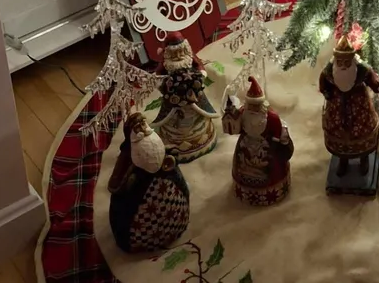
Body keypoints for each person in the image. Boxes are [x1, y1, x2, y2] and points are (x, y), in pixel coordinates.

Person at [107, 111, 189, 253]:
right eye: (137, 127)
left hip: (172, 198)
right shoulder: (129, 154)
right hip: (142, 216)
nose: (142, 129)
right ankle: (139, 242)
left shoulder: (154, 139)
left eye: (143, 124)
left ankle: (178, 223)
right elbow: (117, 183)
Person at [319, 35, 379, 176]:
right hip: (337, 107)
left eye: (347, 61)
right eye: (340, 61)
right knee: (340, 134)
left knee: (362, 132)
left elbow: (374, 83)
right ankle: (343, 160)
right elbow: (323, 82)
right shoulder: (330, 69)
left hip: (360, 107)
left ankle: (364, 158)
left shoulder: (362, 69)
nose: (343, 65)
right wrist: (327, 93)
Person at [222, 76, 293, 205]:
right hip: (246, 144)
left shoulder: (271, 117)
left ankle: (270, 189)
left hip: (265, 146)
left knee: (267, 164)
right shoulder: (243, 113)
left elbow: (277, 132)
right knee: (244, 161)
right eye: (251, 105)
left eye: (256, 105)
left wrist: (276, 145)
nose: (253, 108)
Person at [152, 32, 219, 163]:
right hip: (173, 99)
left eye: (180, 51)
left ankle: (198, 131)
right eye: (174, 52)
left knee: (196, 115)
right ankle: (176, 137)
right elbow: (158, 74)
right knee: (175, 118)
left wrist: (200, 76)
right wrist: (162, 85)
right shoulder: (165, 62)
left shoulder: (189, 57)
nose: (178, 55)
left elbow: (199, 65)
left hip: (193, 95)